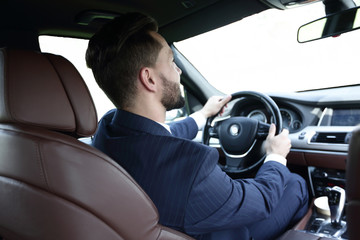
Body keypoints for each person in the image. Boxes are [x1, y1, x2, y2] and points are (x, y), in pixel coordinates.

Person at [86, 12, 308, 240]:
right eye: (172, 62)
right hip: (224, 233)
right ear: (149, 79)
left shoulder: (108, 129)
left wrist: (202, 115)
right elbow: (261, 200)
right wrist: (275, 156)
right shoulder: (192, 168)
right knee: (294, 183)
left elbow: (163, 135)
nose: (179, 71)